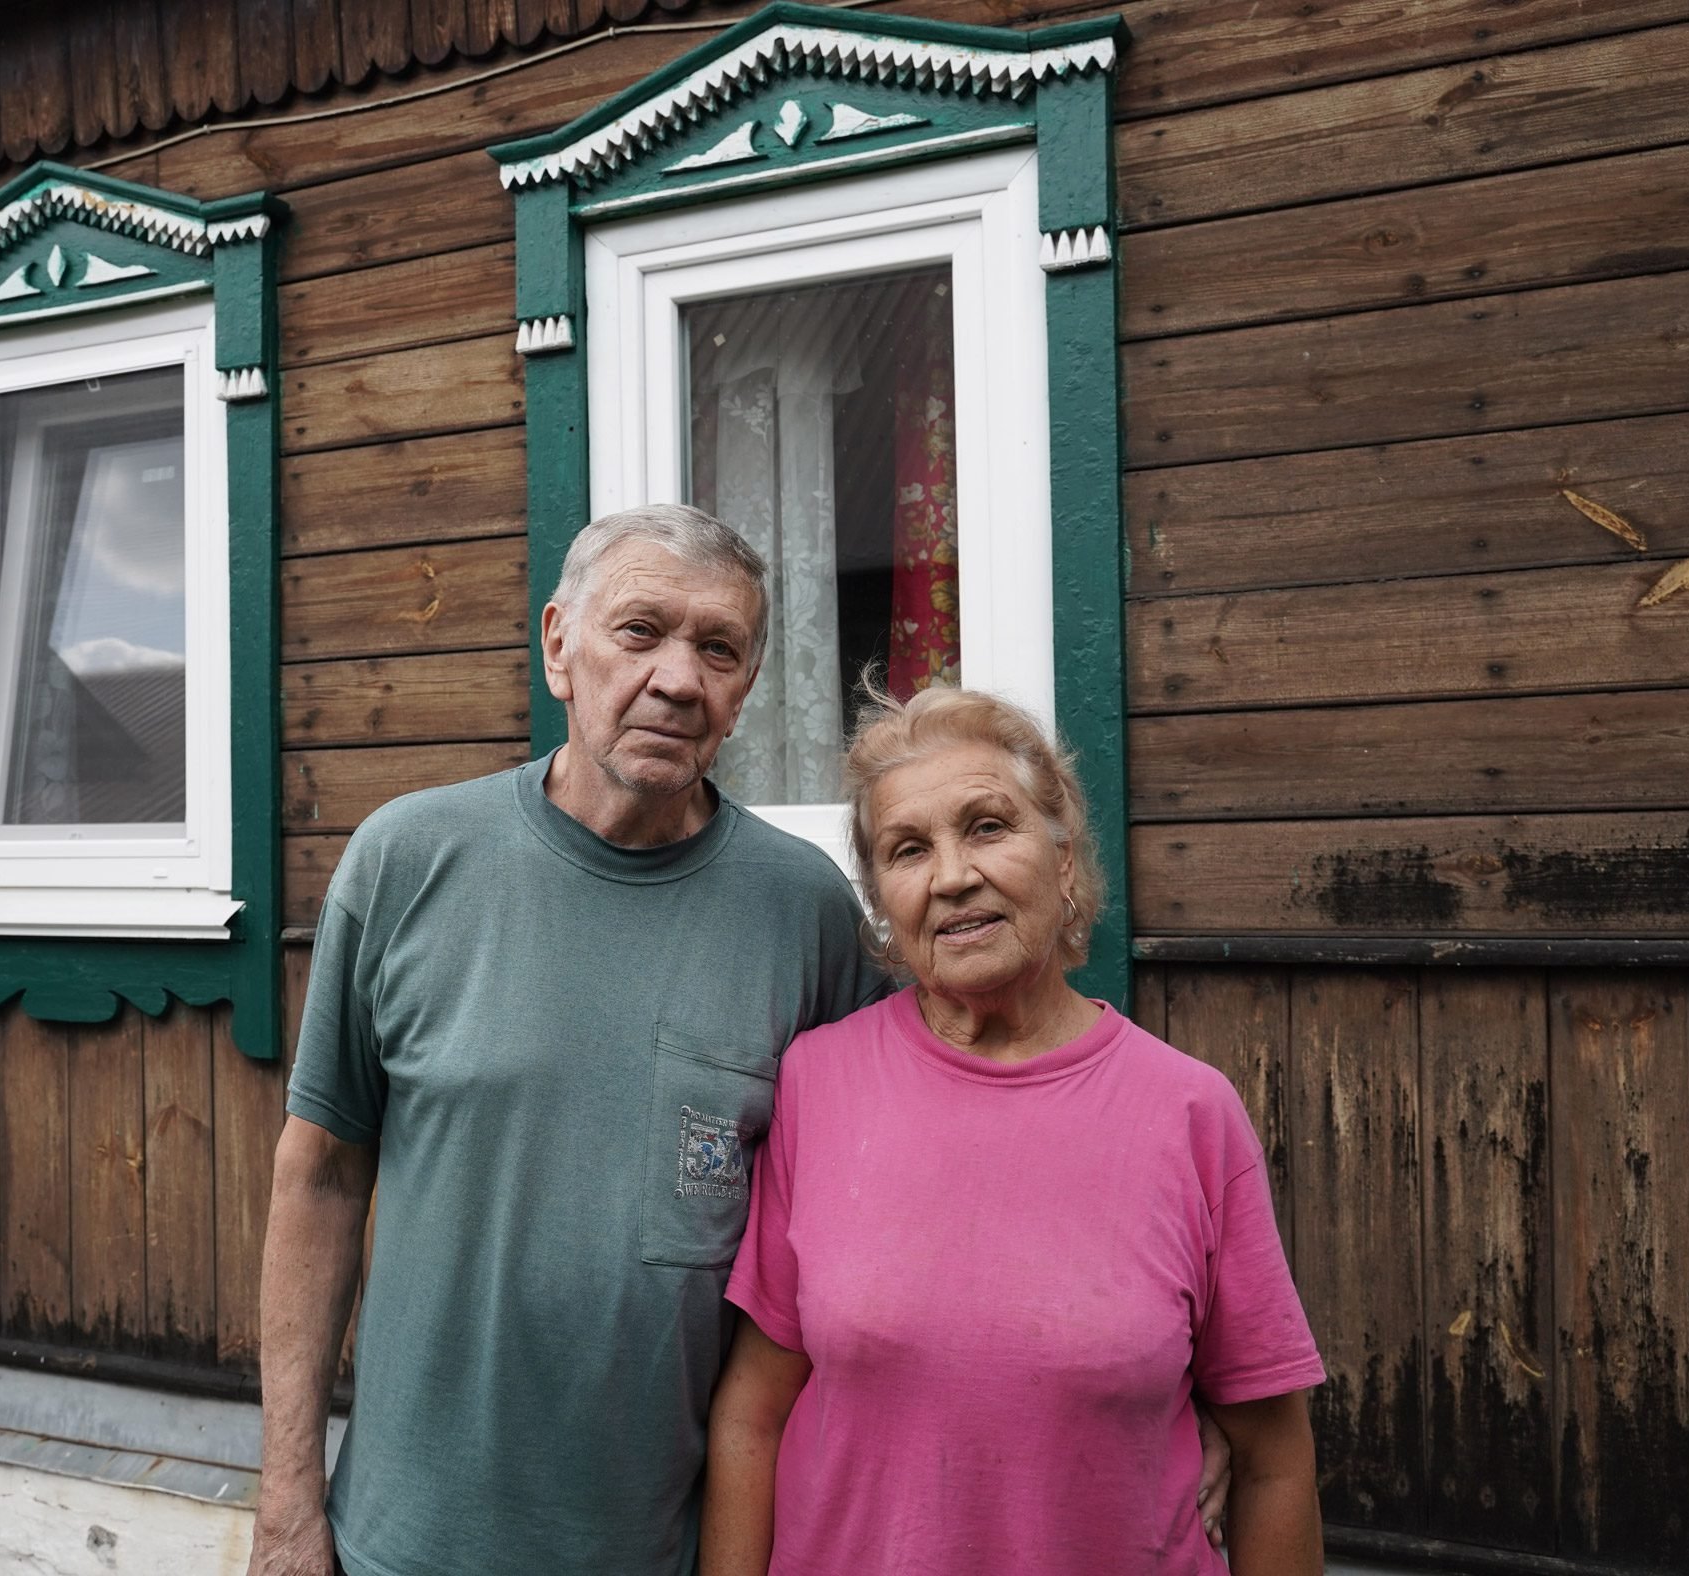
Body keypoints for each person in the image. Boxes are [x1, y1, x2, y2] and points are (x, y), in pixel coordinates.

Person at [247, 505, 883, 1576]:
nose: (680, 679)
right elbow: (319, 1179)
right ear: (559, 647)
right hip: (398, 1543)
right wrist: (286, 1503)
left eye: (718, 649)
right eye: (641, 632)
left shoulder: (805, 912)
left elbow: (874, 1220)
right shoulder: (408, 861)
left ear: (745, 690)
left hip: (660, 1548)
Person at [700, 685, 1324, 1576]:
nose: (952, 876)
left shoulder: (1191, 1113)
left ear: (1064, 857)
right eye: (908, 850)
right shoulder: (815, 1084)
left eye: (988, 827)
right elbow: (753, 1415)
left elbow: (1272, 1459)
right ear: (883, 899)